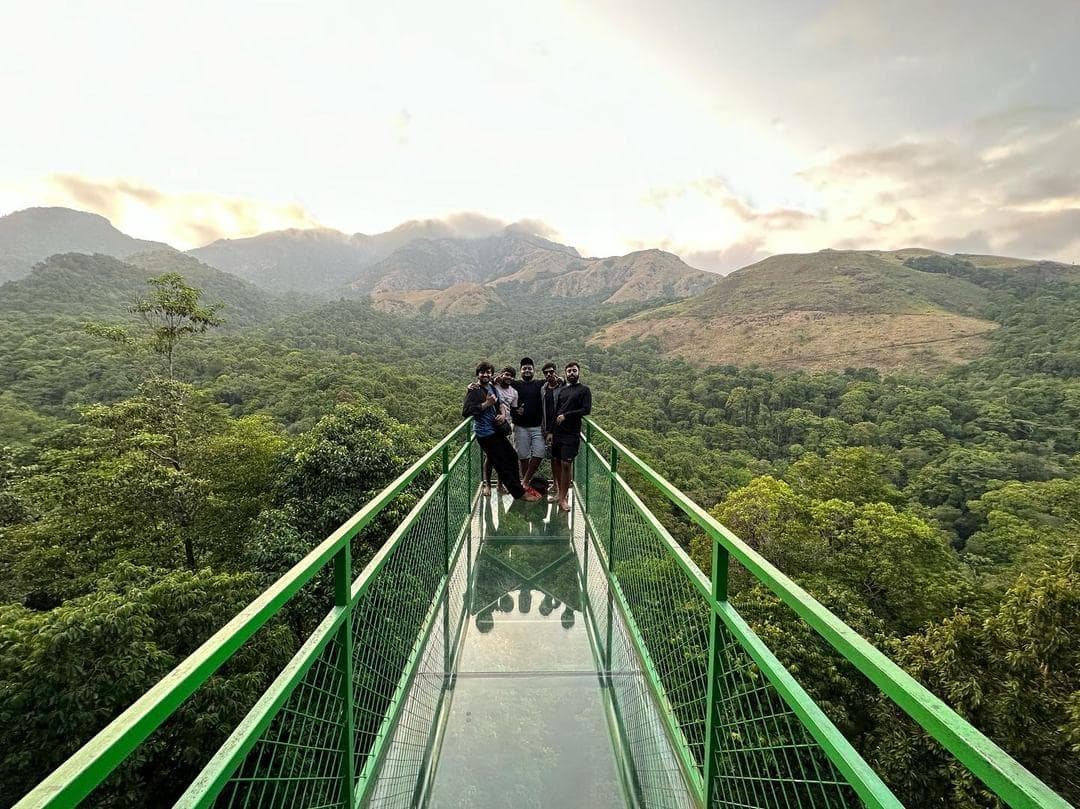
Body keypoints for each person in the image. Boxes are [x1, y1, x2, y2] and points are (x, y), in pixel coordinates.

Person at [462, 362, 541, 502]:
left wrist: (503, 414)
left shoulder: (492, 387)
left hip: (496, 429)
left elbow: (500, 405)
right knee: (501, 462)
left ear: (491, 374)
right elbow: (466, 412)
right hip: (485, 433)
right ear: (477, 375)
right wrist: (486, 404)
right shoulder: (474, 390)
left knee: (511, 456)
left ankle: (519, 487)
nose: (485, 374)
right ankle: (519, 494)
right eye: (482, 372)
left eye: (488, 372)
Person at [551, 361, 591, 512]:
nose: (572, 373)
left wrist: (566, 416)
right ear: (566, 374)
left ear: (578, 372)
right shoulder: (562, 391)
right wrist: (550, 431)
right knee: (557, 463)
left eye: (574, 371)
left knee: (567, 464)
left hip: (572, 433)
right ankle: (560, 494)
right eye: (569, 371)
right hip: (558, 432)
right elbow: (556, 411)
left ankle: (563, 498)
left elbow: (586, 410)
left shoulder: (584, 390)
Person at [509, 357, 547, 489]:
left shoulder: (540, 384)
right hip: (520, 427)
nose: (527, 371)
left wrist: (561, 380)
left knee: (539, 452)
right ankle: (526, 486)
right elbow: (499, 386)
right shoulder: (515, 384)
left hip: (537, 426)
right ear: (520, 371)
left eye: (529, 369)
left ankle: (524, 481)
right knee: (523, 456)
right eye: (524, 368)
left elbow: (556, 383)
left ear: (534, 371)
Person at [482, 366, 519, 495]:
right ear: (501, 375)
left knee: (504, 457)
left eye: (511, 375)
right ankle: (487, 484)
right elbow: (482, 382)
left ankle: (500, 484)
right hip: (491, 427)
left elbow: (512, 409)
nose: (508, 377)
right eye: (506, 374)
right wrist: (492, 379)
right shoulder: (493, 386)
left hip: (506, 427)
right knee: (491, 457)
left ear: (513, 378)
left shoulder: (514, 392)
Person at [540, 361, 564, 501]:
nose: (549, 374)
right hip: (546, 428)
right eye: (546, 373)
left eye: (551, 372)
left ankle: (561, 492)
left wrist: (564, 380)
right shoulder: (543, 388)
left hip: (559, 429)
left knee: (560, 460)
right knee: (552, 459)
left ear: (555, 372)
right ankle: (555, 484)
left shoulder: (562, 387)